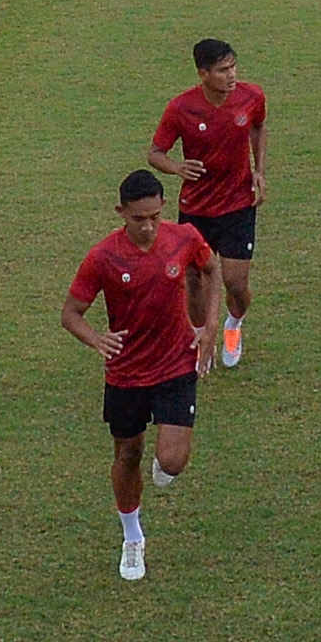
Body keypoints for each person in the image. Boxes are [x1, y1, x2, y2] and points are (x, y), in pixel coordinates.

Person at [63, 169, 214, 582]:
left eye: (153, 216)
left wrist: (210, 325)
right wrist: (96, 339)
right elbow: (70, 314)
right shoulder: (103, 257)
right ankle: (133, 537)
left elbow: (210, 269)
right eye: (137, 219)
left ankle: (163, 465)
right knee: (127, 454)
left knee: (172, 460)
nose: (147, 227)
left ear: (162, 208)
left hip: (176, 364)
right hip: (127, 373)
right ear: (121, 213)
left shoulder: (183, 238)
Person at [151, 40, 269, 369]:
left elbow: (259, 126)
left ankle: (233, 325)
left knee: (236, 284)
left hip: (238, 205)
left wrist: (259, 170)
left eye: (233, 67)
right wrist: (177, 167)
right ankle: (199, 337)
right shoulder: (181, 108)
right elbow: (155, 153)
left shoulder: (252, 97)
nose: (231, 75)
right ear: (203, 74)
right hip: (196, 209)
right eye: (222, 70)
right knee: (194, 280)